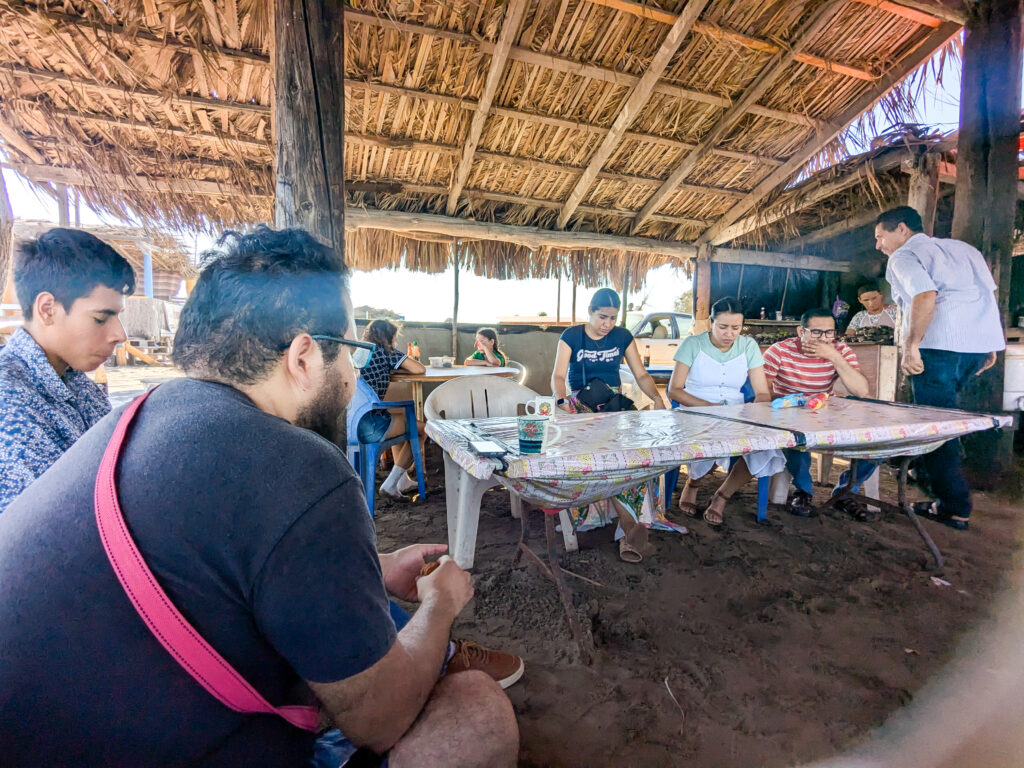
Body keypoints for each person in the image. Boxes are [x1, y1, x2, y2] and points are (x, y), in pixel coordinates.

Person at [0, 227, 520, 767]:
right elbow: (380, 721)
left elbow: (218, 569)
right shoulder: (302, 470)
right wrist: (440, 605)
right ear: (303, 357)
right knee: (477, 709)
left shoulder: (132, 419)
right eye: (351, 352)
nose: (349, 373)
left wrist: (371, 568)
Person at [875, 205, 1004, 530]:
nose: (879, 245)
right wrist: (990, 342)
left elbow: (925, 294)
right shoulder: (964, 249)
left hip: (939, 346)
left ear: (901, 229)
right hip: (974, 347)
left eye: (880, 236)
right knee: (945, 418)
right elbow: (987, 295)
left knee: (937, 426)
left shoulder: (903, 256)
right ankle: (931, 480)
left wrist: (911, 345)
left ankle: (954, 506)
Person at [0, 227, 134, 513]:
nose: (119, 335)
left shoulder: (75, 381)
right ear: (47, 309)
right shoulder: (9, 407)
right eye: (101, 319)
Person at [551, 287, 684, 562]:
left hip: (614, 407)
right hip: (580, 406)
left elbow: (641, 374)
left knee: (629, 461)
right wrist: (564, 404)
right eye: (602, 317)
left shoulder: (622, 337)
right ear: (590, 311)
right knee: (598, 462)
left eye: (612, 318)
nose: (607, 324)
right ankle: (624, 528)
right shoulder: (571, 336)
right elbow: (558, 376)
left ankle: (629, 528)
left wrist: (657, 399)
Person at [667, 297, 782, 528]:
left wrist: (756, 413)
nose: (729, 333)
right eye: (723, 327)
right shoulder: (693, 344)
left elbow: (761, 392)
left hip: (736, 411)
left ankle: (722, 496)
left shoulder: (748, 346)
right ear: (711, 322)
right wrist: (711, 409)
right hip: (695, 409)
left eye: (736, 328)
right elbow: (675, 391)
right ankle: (693, 483)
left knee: (765, 445)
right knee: (710, 440)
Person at [763, 308, 874, 518]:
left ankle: (845, 492)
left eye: (829, 333)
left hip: (825, 414)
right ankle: (803, 491)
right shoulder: (779, 350)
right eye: (816, 332)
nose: (823, 339)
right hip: (788, 414)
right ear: (800, 331)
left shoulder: (840, 349)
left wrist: (834, 356)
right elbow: (763, 389)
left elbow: (861, 390)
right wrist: (783, 407)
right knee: (796, 441)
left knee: (877, 442)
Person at [360, 319, 428, 499]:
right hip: (371, 426)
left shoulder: (357, 352)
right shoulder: (384, 352)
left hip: (351, 423)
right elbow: (419, 369)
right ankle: (390, 484)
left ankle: (403, 480)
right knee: (422, 429)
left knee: (400, 417)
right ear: (389, 337)